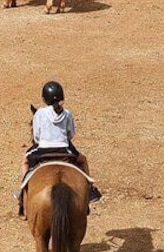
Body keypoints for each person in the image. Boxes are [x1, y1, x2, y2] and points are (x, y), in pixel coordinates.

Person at [19, 81, 102, 210]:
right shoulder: (67, 113)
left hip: (42, 149)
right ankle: (90, 190)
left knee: (24, 161)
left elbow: (36, 136)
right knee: (83, 160)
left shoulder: (39, 113)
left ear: (43, 99)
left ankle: (24, 197)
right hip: (64, 149)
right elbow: (70, 134)